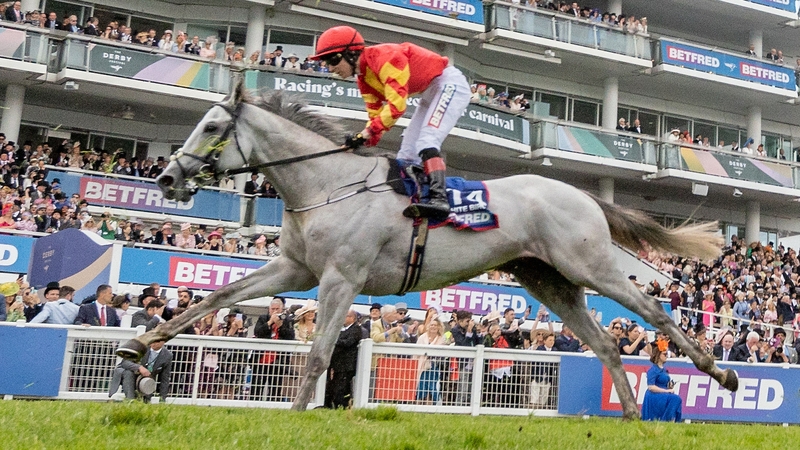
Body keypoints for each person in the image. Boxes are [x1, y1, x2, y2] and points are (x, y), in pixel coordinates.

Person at [310, 26, 471, 220]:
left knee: (427, 141)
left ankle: (439, 199)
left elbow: (396, 106)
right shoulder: (363, 80)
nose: (329, 67)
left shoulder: (386, 57)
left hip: (448, 83)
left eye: (332, 59)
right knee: (407, 155)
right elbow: (375, 120)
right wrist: (360, 141)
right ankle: (416, 198)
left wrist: (367, 133)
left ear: (351, 54)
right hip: (429, 93)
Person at [108, 340, 172, 402]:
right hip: (131, 375)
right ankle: (130, 400)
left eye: (157, 341)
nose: (154, 343)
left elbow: (165, 379)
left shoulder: (167, 355)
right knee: (128, 373)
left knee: (145, 401)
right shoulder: (141, 348)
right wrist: (139, 367)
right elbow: (125, 362)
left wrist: (162, 399)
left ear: (164, 342)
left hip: (147, 380)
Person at [325, 309, 362, 408]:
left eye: (345, 316)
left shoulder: (356, 329)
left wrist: (333, 340)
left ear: (352, 318)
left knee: (343, 387)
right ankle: (332, 404)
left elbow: (348, 342)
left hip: (347, 364)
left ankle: (343, 405)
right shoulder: (341, 329)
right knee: (335, 385)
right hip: (338, 363)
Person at [641, 339, 682, 422]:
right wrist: (666, 391)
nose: (666, 356)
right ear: (659, 355)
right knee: (675, 399)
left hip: (663, 393)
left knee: (677, 399)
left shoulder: (664, 370)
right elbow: (651, 387)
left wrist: (669, 386)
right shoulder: (653, 370)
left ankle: (671, 419)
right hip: (654, 395)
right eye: (664, 354)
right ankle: (666, 419)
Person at [414, 315, 445, 404]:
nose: (433, 327)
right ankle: (419, 404)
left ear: (439, 327)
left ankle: (431, 404)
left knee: (432, 386)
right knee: (421, 385)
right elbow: (416, 352)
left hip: (433, 366)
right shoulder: (422, 337)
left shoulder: (441, 339)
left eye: (435, 325)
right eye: (431, 325)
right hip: (421, 366)